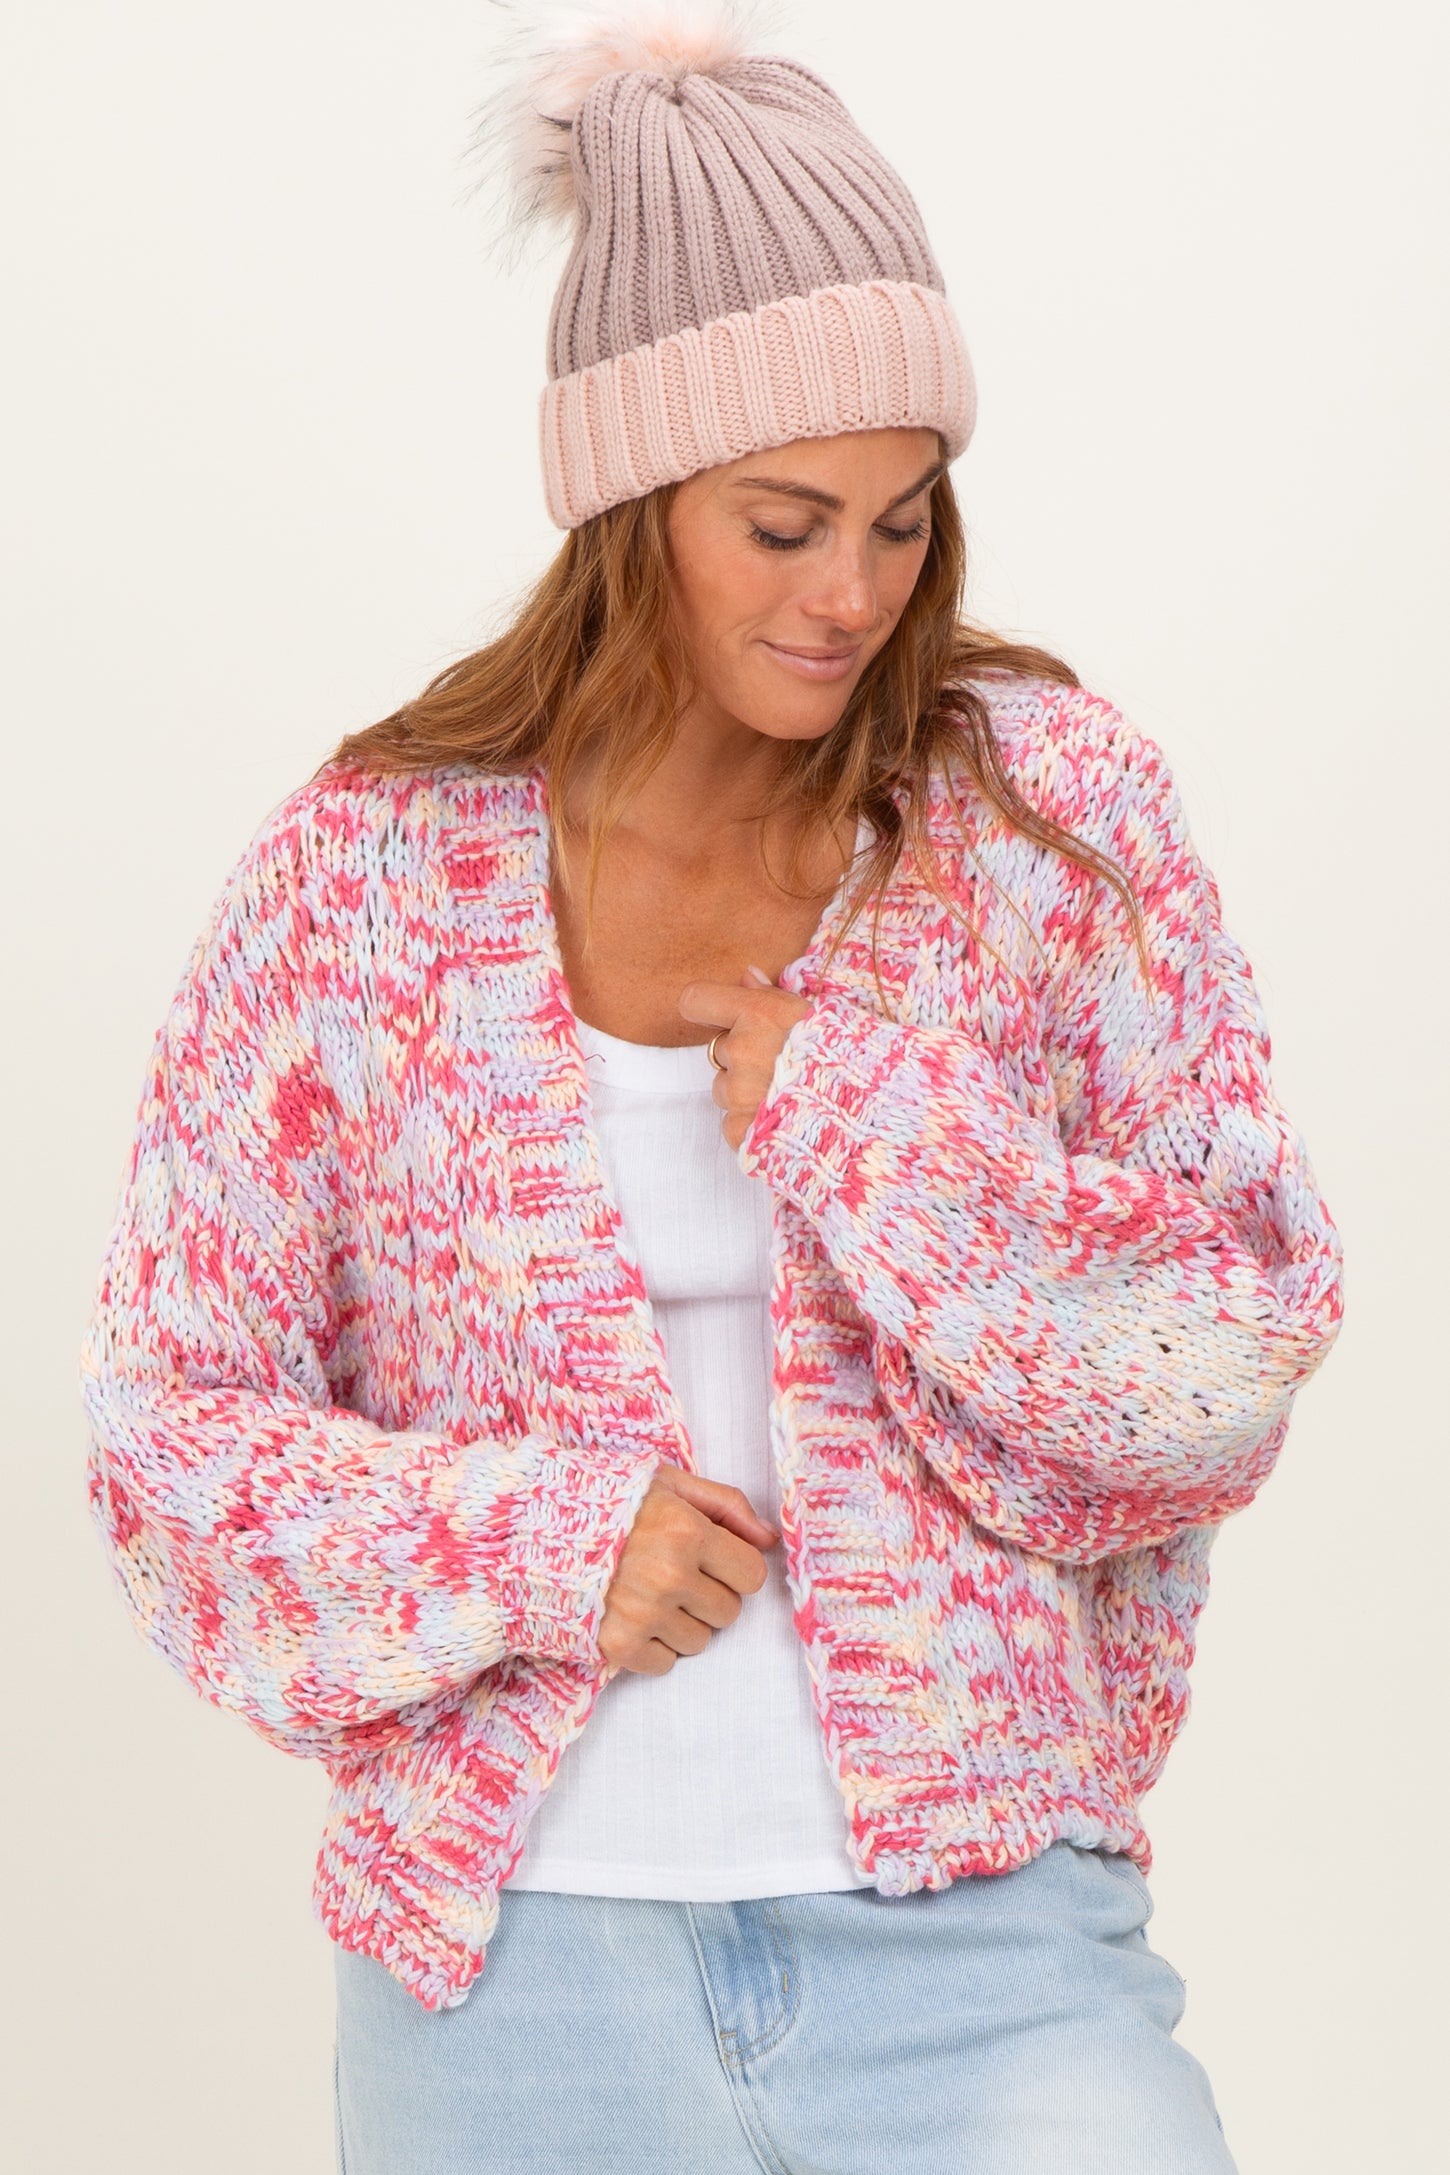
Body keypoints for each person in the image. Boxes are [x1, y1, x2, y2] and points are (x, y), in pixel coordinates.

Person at [79, 7, 1344, 2171]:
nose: (850, 594)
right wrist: (542, 1541)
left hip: (981, 1934)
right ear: (630, 495)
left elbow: (1230, 1349)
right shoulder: (358, 879)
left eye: (899, 521)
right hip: (511, 1965)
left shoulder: (1045, 820)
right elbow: (167, 1442)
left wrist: (882, 1135)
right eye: (780, 523)